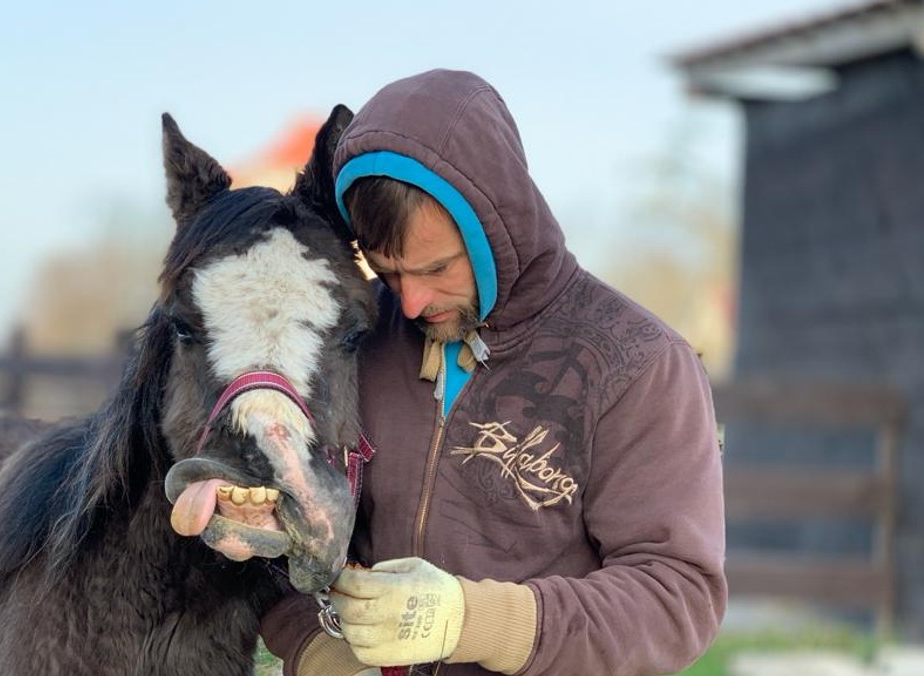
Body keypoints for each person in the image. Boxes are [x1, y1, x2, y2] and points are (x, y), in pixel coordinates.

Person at [257, 69, 726, 675]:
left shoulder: (640, 365)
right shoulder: (351, 340)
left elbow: (675, 598)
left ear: (495, 227)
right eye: (389, 273)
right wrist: (316, 650)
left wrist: (469, 620)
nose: (410, 304)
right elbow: (272, 531)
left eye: (437, 268)